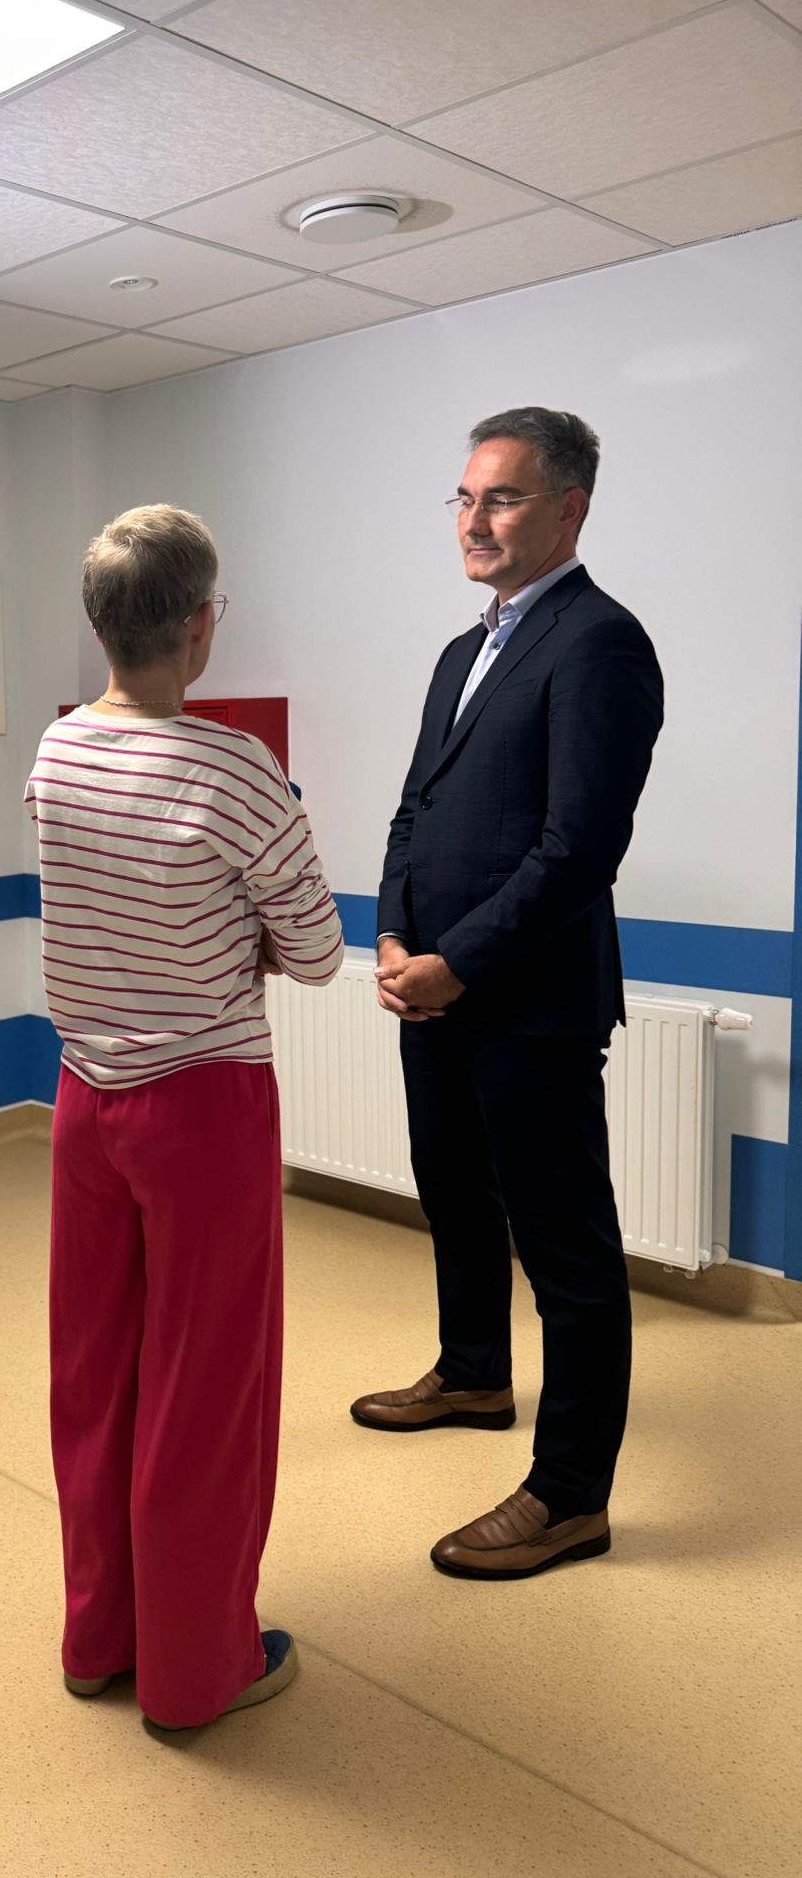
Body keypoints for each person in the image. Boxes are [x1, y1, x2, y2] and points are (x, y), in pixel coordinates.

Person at [25, 503, 343, 1730]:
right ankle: (198, 1669)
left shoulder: (59, 749)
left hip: (84, 1100)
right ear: (203, 626)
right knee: (206, 1386)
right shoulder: (234, 769)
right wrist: (237, 933)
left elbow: (107, 906)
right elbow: (315, 950)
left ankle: (99, 1636)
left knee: (94, 1371)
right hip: (202, 1104)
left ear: (99, 622)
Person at [361, 407, 664, 1580]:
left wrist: (461, 959)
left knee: (568, 1248)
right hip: (435, 984)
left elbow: (579, 846)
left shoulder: (601, 643)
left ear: (569, 508)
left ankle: (570, 1494)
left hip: (527, 1000)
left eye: (502, 497)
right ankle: (475, 1371)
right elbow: (417, 806)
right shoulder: (464, 649)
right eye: (465, 497)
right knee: (454, 1192)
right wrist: (393, 931)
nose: (473, 520)